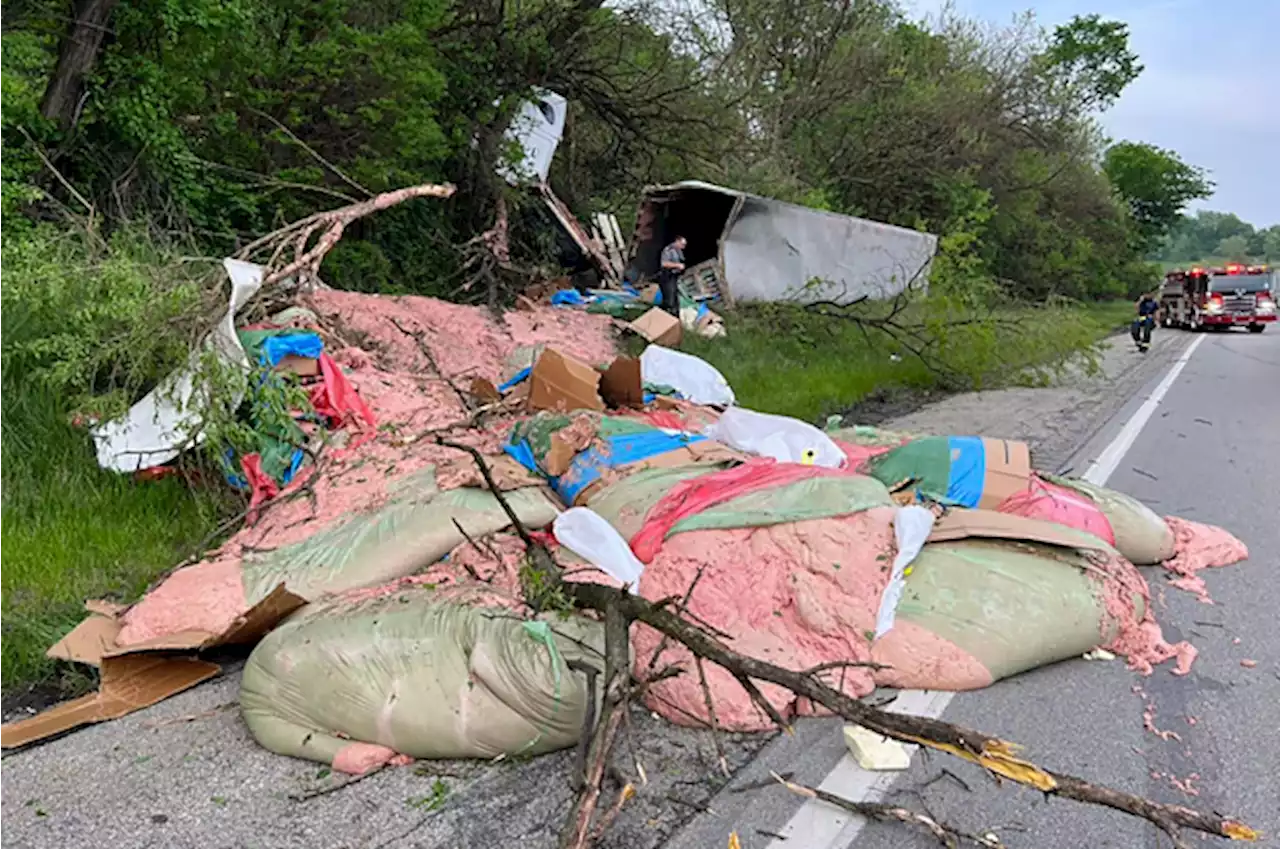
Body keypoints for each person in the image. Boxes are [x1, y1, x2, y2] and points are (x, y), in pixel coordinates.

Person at [658, 236, 687, 317]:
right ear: (677, 241)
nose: (683, 247)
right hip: (667, 277)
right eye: (682, 244)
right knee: (669, 301)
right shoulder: (668, 250)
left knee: (675, 301)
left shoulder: (678, 251)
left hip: (674, 277)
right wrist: (677, 265)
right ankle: (663, 316)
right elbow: (664, 263)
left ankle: (675, 318)